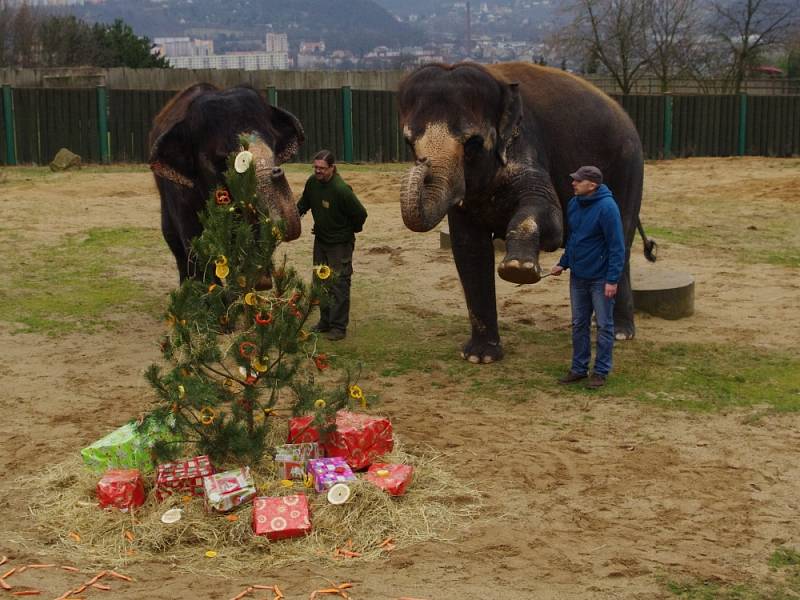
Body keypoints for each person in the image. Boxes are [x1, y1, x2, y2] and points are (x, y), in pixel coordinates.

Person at [550, 165, 625, 389]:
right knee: (578, 324)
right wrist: (563, 264)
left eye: (578, 181)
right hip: (578, 277)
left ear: (592, 185)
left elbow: (617, 247)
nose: (573, 183)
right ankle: (579, 368)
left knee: (604, 325)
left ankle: (601, 371)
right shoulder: (574, 204)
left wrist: (612, 280)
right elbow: (574, 239)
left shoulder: (608, 208)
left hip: (600, 279)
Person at [296, 150, 367, 341]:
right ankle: (324, 321)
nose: (318, 171)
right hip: (321, 241)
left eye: (322, 168)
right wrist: (293, 215)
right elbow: (304, 203)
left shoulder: (341, 190)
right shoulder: (312, 183)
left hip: (339, 245)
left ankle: (338, 327)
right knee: (320, 282)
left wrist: (348, 231)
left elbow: (361, 214)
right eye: (316, 167)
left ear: (332, 168)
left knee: (339, 284)